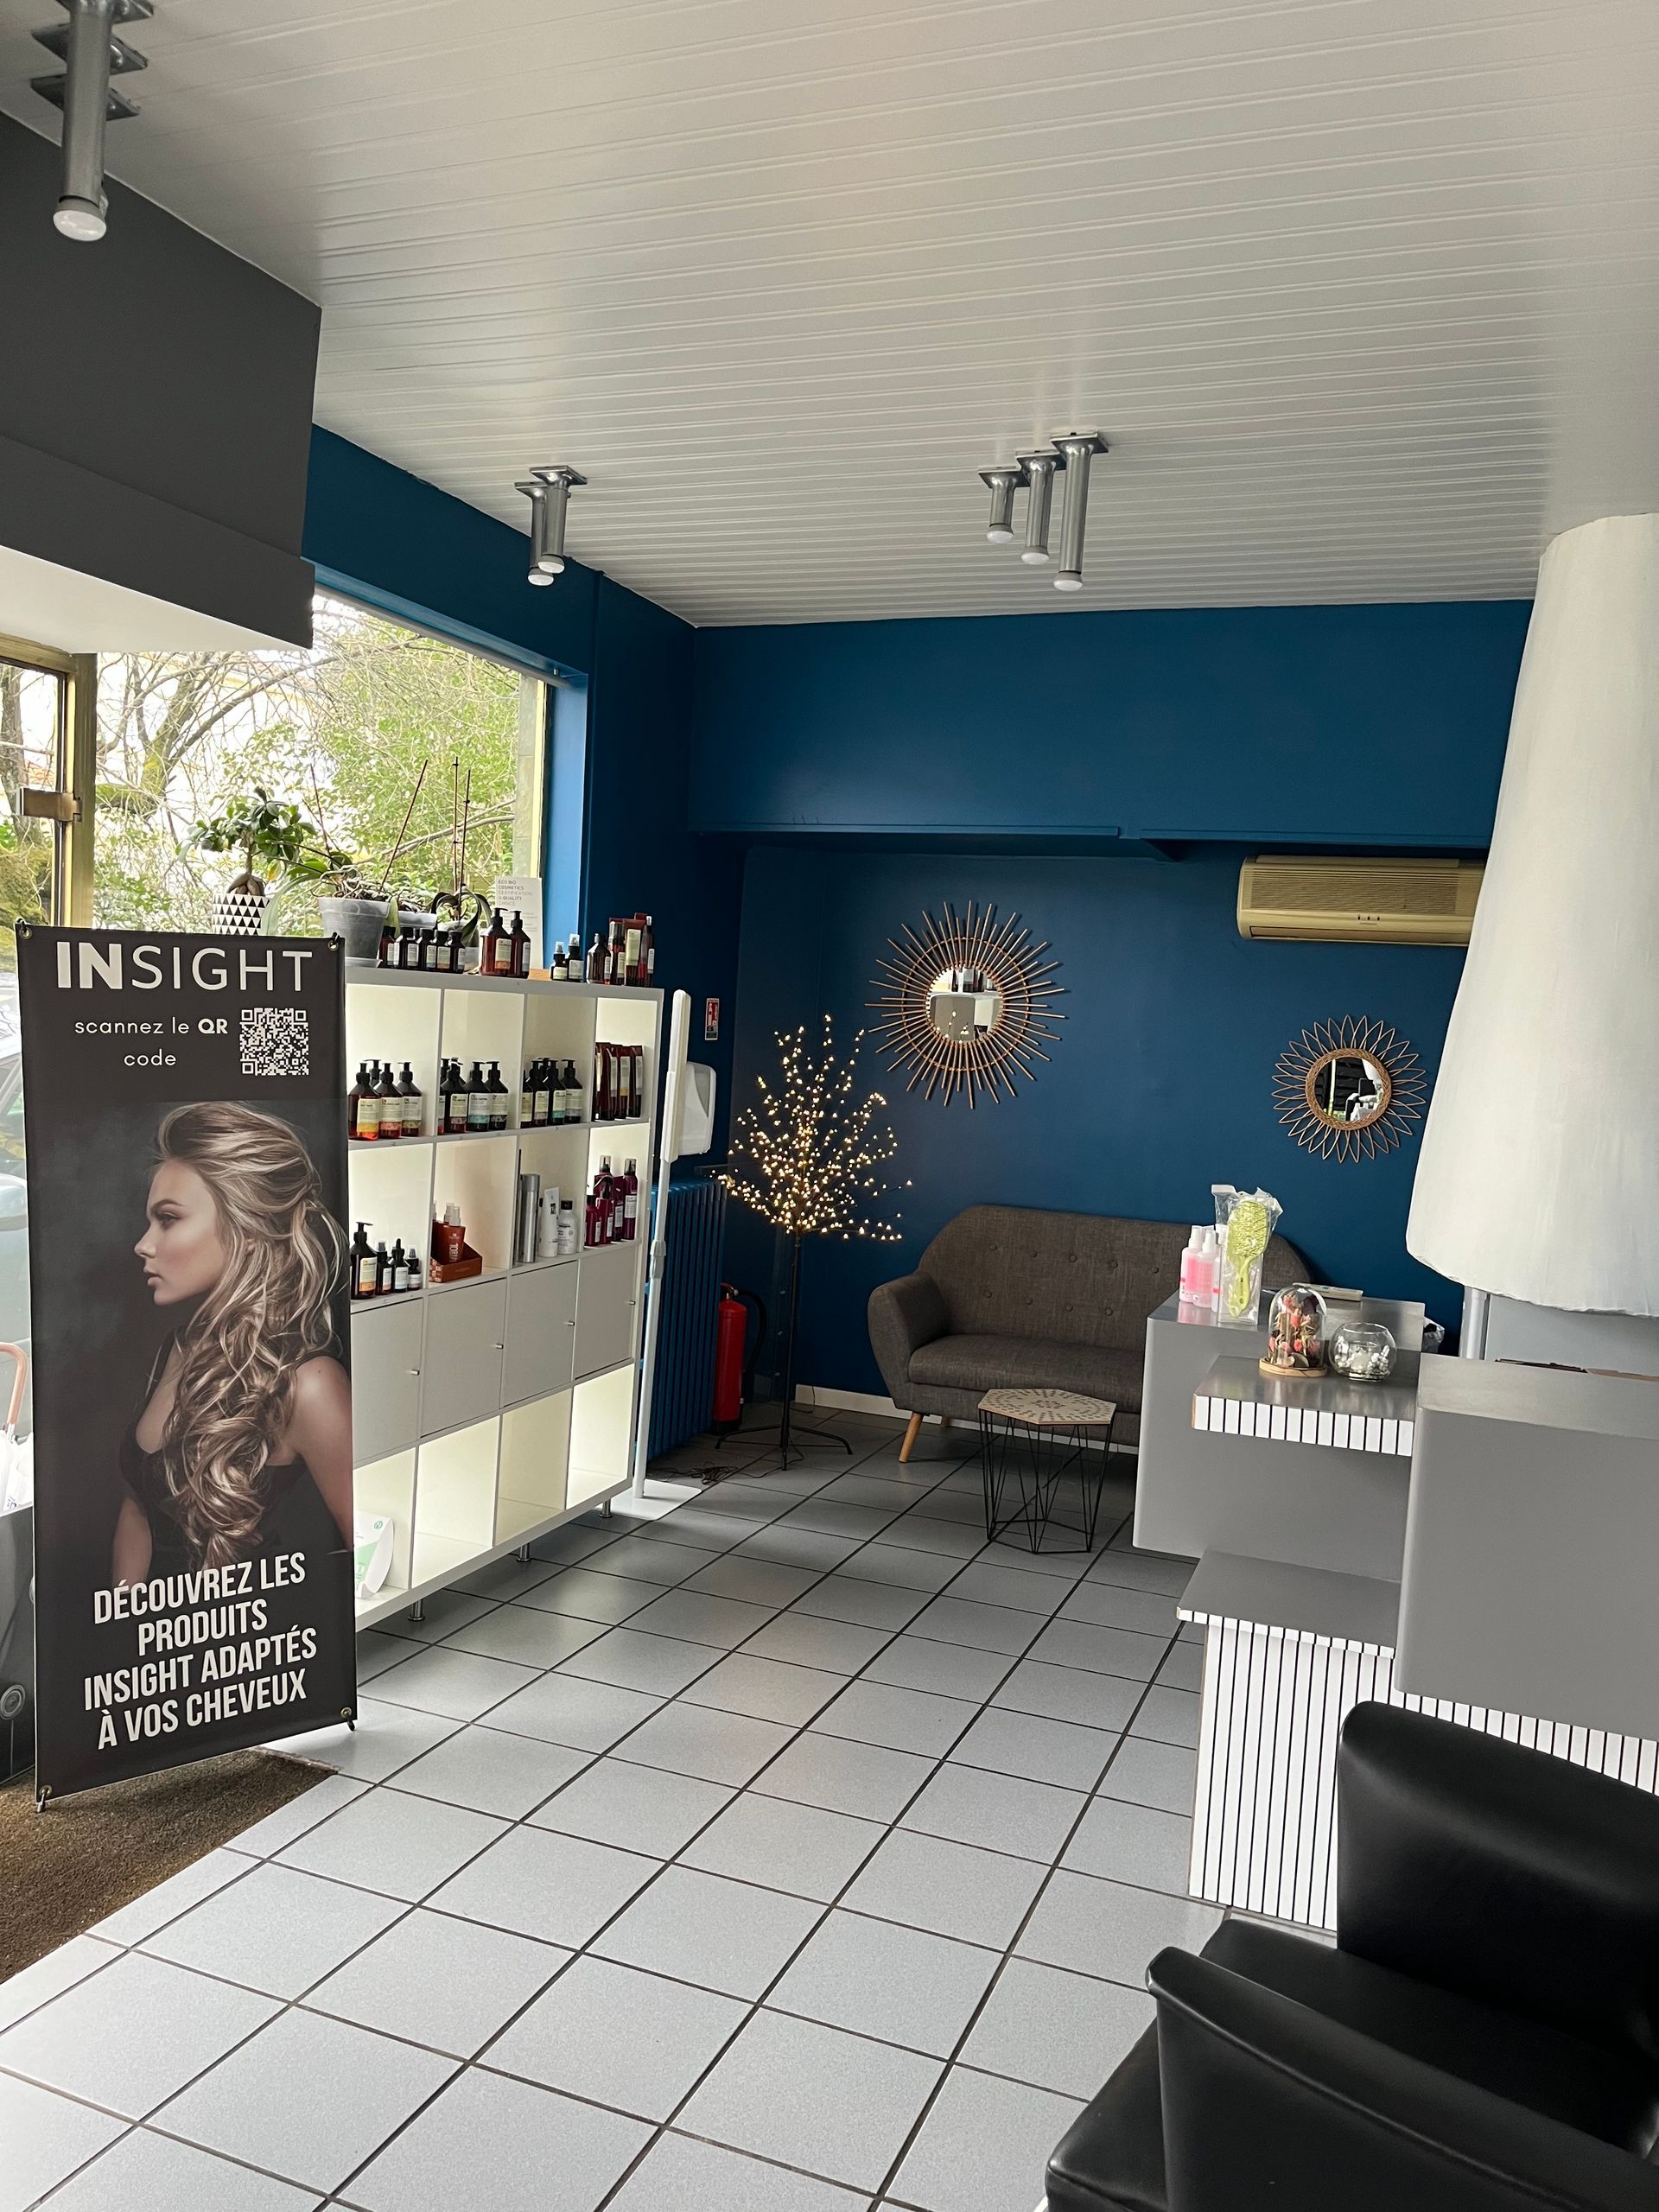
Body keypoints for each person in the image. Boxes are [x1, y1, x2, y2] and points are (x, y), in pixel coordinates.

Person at [114, 1101, 352, 1582]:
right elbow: (140, 1508)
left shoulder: (311, 1385)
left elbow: (365, 1549)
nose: (144, 1243)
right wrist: (125, 1630)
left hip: (253, 1645)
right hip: (154, 1647)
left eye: (168, 1218)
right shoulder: (177, 1348)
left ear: (244, 1228)